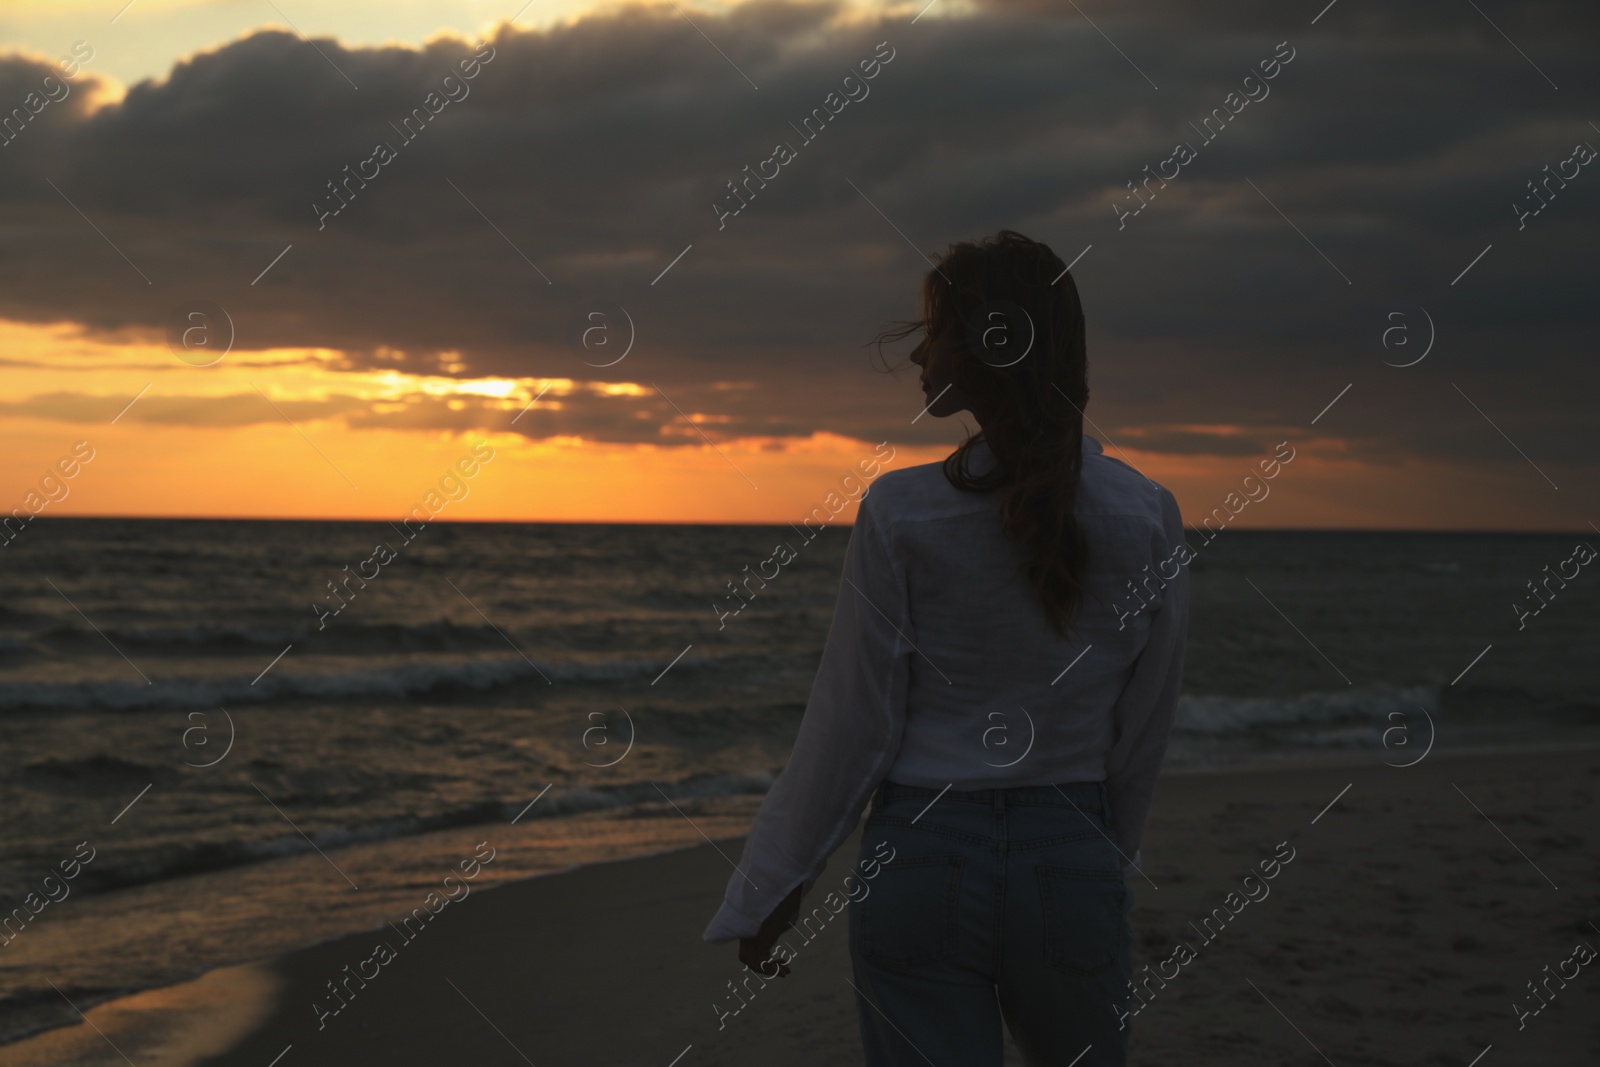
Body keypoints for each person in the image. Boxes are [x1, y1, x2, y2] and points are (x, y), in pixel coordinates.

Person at [701, 229, 1190, 1066]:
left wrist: (774, 884)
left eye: (938, 331)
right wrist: (1102, 855)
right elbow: (1144, 723)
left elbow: (853, 723)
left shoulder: (901, 511)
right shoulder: (1146, 513)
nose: (919, 353)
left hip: (921, 860)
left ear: (991, 346)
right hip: (1070, 853)